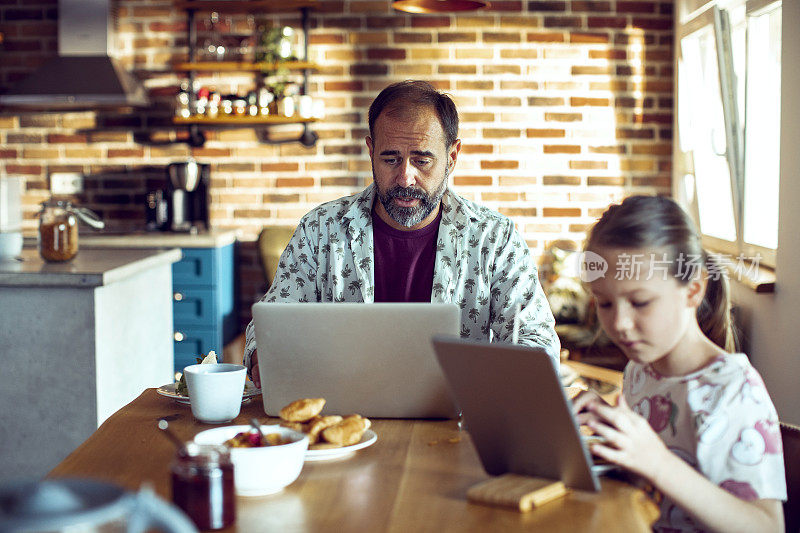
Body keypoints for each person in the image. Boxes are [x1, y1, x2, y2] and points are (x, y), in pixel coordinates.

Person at [243, 80, 559, 386]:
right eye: (390, 159)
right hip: (342, 416)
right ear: (370, 150)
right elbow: (272, 322)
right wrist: (262, 352)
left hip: (458, 424)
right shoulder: (319, 229)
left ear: (451, 157)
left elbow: (537, 340)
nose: (405, 177)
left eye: (422, 160)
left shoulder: (495, 238)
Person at [572, 195, 786, 532]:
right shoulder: (639, 372)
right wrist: (609, 426)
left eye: (640, 302)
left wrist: (658, 463)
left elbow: (766, 527)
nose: (620, 323)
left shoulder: (733, 390)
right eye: (605, 303)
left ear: (692, 290)